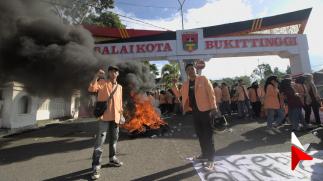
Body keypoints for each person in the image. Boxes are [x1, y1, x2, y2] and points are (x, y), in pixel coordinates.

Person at [172, 63, 217, 170]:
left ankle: (211, 159)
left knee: (208, 135)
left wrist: (214, 107)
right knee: (200, 134)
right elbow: (179, 95)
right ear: (186, 72)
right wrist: (174, 85)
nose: (190, 71)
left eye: (192, 68)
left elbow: (211, 93)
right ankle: (204, 154)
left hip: (206, 111)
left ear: (195, 69)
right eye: (188, 69)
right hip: (195, 112)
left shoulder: (203, 79)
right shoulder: (186, 84)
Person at [88, 66, 123, 180]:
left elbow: (120, 103)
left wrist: (121, 115)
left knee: (114, 139)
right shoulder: (102, 82)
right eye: (111, 71)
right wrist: (96, 76)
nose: (113, 73)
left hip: (116, 118)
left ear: (118, 74)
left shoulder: (120, 87)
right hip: (104, 117)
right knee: (99, 143)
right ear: (108, 73)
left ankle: (112, 158)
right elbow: (91, 89)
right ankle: (96, 166)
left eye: (115, 71)